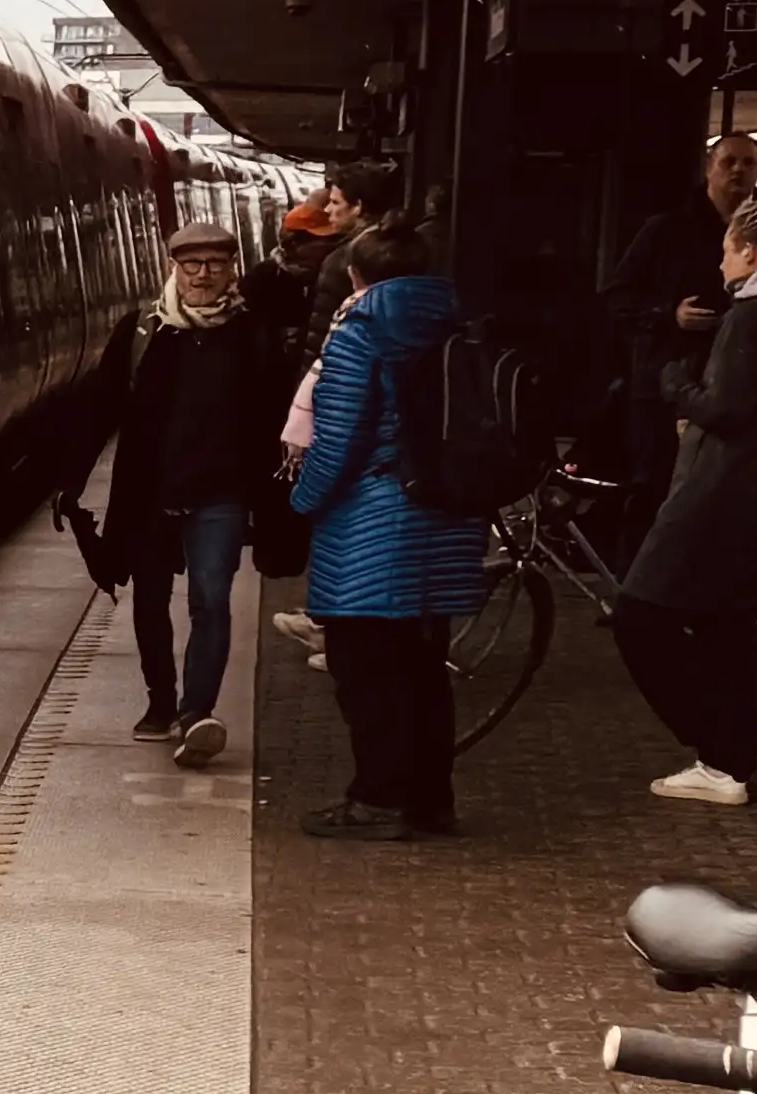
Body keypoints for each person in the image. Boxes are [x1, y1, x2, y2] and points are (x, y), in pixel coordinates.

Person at [606, 197, 757, 806]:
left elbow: (726, 408)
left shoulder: (752, 317)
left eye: (728, 249)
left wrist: (677, 385)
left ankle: (714, 744)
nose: (721, 260)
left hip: (716, 493)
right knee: (726, 632)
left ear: (750, 253)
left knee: (639, 616)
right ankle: (727, 760)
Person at [287, 218, 487, 839]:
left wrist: (302, 501)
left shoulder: (360, 332)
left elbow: (340, 438)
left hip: (375, 524)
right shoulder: (454, 327)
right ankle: (430, 801)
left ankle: (377, 801)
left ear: (355, 275)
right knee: (424, 669)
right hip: (445, 518)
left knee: (366, 671)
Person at [94, 221, 293, 768]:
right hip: (151, 493)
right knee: (150, 600)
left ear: (233, 268)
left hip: (221, 494)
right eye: (192, 265)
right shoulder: (142, 330)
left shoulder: (253, 331)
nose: (204, 275)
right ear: (173, 269)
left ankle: (195, 713)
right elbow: (100, 409)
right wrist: (70, 483)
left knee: (212, 600)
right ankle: (160, 702)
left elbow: (277, 413)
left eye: (216, 264)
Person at [601, 137, 757, 532]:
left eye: (748, 163)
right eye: (729, 162)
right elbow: (616, 294)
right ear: (710, 166)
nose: (738, 171)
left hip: (734, 382)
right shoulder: (667, 229)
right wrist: (667, 314)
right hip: (666, 380)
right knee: (656, 492)